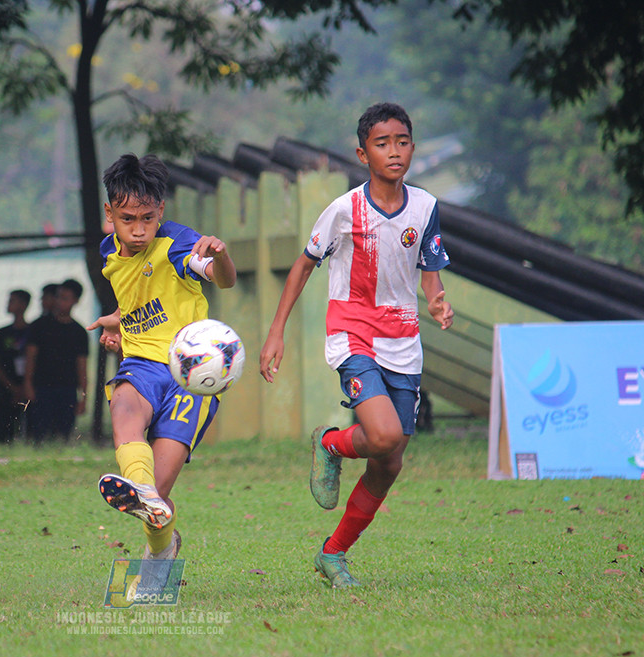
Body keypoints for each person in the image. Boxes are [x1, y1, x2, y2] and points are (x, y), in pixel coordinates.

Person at [259, 102, 454, 588]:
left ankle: (333, 553)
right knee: (384, 435)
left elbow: (429, 269)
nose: (394, 151)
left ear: (412, 146)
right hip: (353, 333)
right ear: (362, 152)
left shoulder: (426, 207)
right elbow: (304, 264)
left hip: (404, 339)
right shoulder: (344, 209)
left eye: (402, 142)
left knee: (390, 461)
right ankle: (330, 442)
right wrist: (276, 331)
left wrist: (436, 302)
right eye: (382, 143)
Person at [88, 153, 237, 592]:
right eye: (128, 219)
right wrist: (120, 319)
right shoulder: (107, 251)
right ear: (109, 213)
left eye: (148, 218)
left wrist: (220, 256)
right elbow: (141, 296)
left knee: (158, 497)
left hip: (191, 375)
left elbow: (221, 279)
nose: (138, 230)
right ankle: (143, 492)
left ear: (162, 212)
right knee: (124, 404)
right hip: (141, 365)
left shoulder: (175, 245)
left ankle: (160, 549)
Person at [23, 279, 88, 443]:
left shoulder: (79, 332)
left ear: (75, 301)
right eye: (58, 297)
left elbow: (82, 366)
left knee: (63, 434)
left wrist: (83, 396)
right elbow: (30, 357)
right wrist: (28, 384)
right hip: (42, 387)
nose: (60, 302)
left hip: (67, 389)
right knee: (39, 433)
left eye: (65, 298)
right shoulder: (39, 326)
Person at [0, 289, 31, 443]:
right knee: (4, 429)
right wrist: (11, 387)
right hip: (6, 387)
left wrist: (25, 385)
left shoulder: (32, 332)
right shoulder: (1, 333)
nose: (8, 304)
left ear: (23, 305)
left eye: (12, 301)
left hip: (28, 387)